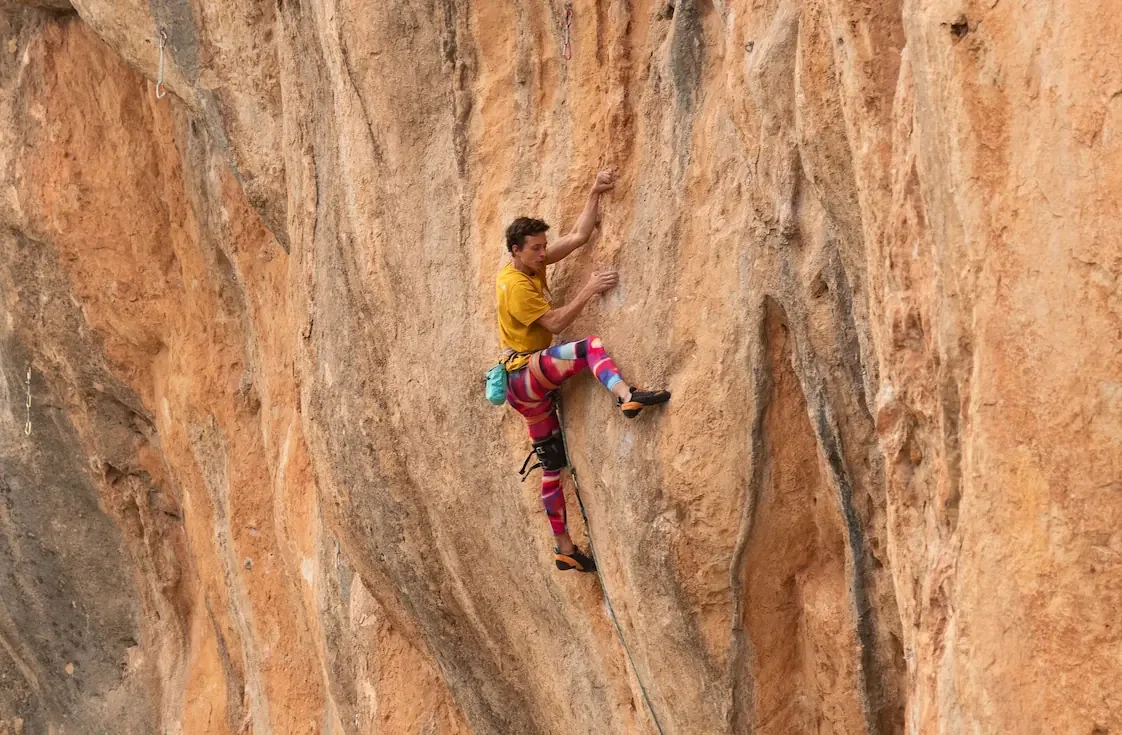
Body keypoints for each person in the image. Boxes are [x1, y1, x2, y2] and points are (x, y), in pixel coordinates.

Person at [496, 170, 671, 573]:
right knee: (588, 347)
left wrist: (594, 192)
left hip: (522, 387)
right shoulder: (515, 286)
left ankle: (563, 548)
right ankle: (626, 396)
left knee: (552, 466)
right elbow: (555, 324)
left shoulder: (529, 267)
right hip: (525, 374)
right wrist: (590, 288)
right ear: (515, 250)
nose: (543, 254)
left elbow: (577, 237)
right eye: (536, 249)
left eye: (542, 246)